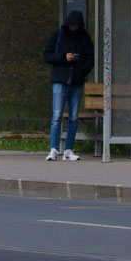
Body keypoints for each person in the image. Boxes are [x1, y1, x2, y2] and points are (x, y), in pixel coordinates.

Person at [43, 9, 95, 161]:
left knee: (73, 117)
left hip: (77, 81)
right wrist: (63, 58)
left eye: (76, 25)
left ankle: (68, 150)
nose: (74, 28)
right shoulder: (58, 35)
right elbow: (47, 55)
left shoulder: (85, 38)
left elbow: (90, 58)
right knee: (57, 115)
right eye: (72, 25)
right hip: (60, 80)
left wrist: (82, 71)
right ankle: (53, 149)